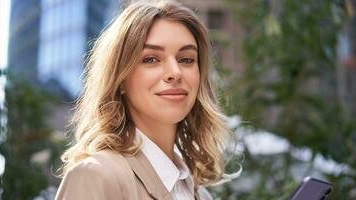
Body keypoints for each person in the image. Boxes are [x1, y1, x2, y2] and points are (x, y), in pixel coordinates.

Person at [56, 0, 236, 199]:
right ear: (121, 79)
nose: (175, 73)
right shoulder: (96, 176)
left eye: (186, 59)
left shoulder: (199, 194)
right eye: (151, 59)